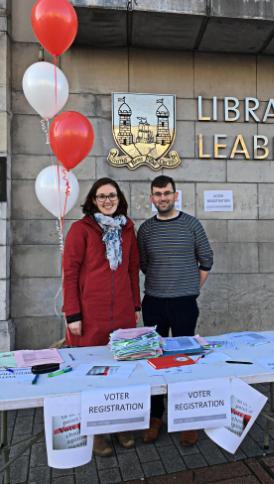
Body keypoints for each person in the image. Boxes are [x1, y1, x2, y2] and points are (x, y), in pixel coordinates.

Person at [63, 177, 141, 457]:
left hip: (121, 312)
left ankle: (121, 424)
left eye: (112, 196)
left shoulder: (128, 229)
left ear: (119, 198)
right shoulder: (80, 230)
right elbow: (69, 273)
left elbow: (132, 269)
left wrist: (135, 306)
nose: (108, 201)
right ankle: (96, 431)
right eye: (101, 196)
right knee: (92, 375)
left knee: (122, 372)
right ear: (93, 201)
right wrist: (72, 313)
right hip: (89, 313)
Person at [137, 175, 214, 447]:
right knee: (155, 360)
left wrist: (191, 287)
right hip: (154, 302)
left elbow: (207, 259)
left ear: (175, 194)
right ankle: (156, 416)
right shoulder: (145, 230)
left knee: (184, 361)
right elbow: (144, 264)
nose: (162, 198)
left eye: (167, 193)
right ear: (151, 197)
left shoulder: (192, 224)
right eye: (157, 194)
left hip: (184, 303)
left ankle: (187, 419)